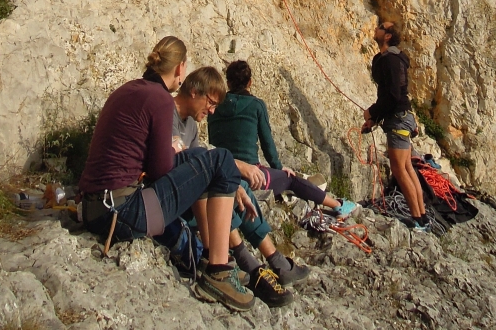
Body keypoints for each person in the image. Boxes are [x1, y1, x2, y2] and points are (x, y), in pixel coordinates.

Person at [78, 37, 255, 312]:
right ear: (180, 68)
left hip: (95, 208)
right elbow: (161, 168)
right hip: (122, 212)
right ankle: (219, 271)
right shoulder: (160, 99)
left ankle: (209, 256)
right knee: (221, 158)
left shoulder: (128, 89)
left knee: (202, 156)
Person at [208, 60, 356, 284]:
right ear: (250, 82)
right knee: (290, 180)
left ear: (227, 82)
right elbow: (267, 143)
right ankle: (337, 205)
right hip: (253, 173)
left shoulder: (215, 106)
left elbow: (213, 141)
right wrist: (278, 167)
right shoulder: (256, 105)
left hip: (223, 170)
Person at [172, 67, 294, 309]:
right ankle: (251, 264)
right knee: (221, 186)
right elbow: (190, 165)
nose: (213, 111)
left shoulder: (192, 127)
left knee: (236, 188)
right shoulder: (166, 115)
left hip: (193, 197)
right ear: (195, 92)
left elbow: (201, 160)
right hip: (178, 200)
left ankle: (258, 262)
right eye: (211, 103)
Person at [361, 20, 429, 230]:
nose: (376, 28)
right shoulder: (394, 59)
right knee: (407, 167)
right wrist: (375, 119)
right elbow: (395, 95)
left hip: (397, 118)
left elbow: (392, 96)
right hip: (402, 116)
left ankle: (418, 220)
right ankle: (423, 217)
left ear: (388, 35)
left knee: (399, 169)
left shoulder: (390, 60)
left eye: (381, 27)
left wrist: (372, 112)